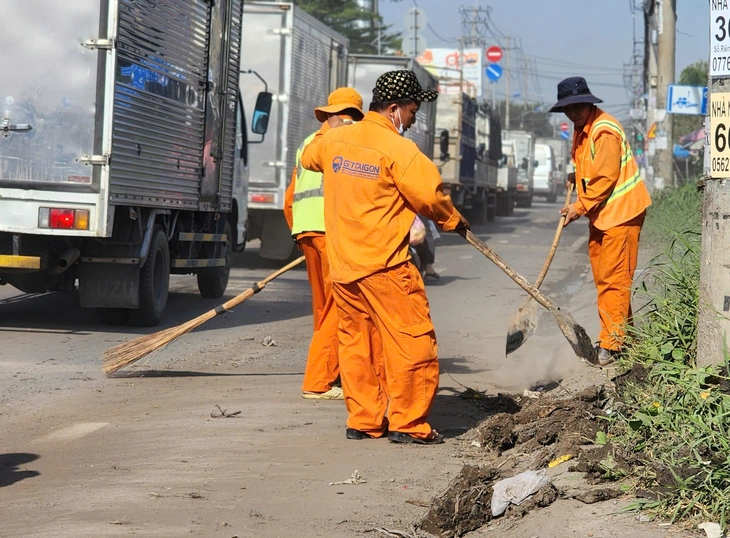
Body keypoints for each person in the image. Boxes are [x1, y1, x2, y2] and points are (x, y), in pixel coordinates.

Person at [301, 70, 469, 444]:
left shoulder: (335, 140)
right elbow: (431, 197)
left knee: (357, 345)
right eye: (411, 112)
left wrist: (336, 125)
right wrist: (453, 219)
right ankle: (409, 424)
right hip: (386, 267)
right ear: (394, 109)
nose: (412, 120)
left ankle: (364, 420)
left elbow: (311, 155)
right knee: (412, 342)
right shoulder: (400, 150)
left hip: (344, 268)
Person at [550, 77, 651, 367]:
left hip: (621, 213)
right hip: (604, 215)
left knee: (614, 280)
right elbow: (591, 170)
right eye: (568, 109)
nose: (573, 113)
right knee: (605, 278)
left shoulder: (603, 130)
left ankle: (613, 344)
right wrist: (576, 178)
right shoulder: (583, 129)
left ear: (588, 103)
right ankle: (626, 339)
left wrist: (578, 206)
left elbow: (605, 177)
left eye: (578, 106)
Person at [283, 88, 365, 400]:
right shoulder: (346, 140)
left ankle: (335, 371)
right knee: (340, 305)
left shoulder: (308, 143)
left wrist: (301, 232)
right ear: (352, 116)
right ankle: (319, 381)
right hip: (331, 231)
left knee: (324, 307)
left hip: (306, 231)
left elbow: (289, 198)